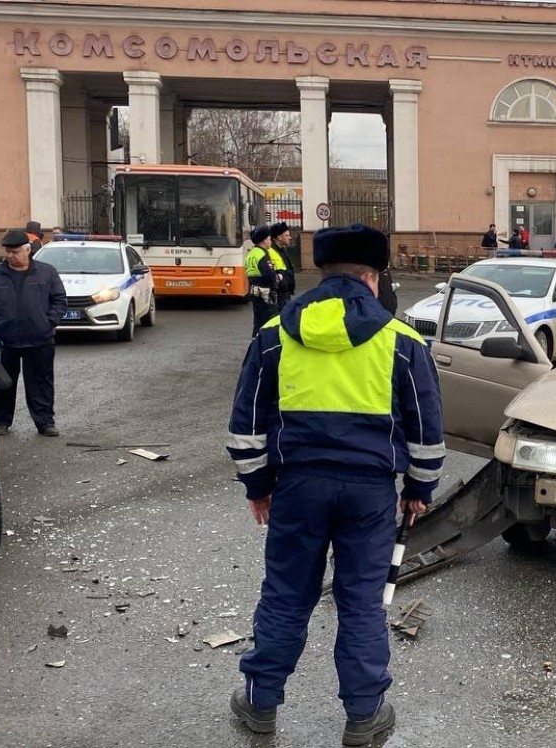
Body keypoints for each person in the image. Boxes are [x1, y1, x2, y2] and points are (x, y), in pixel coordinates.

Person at [225, 223, 443, 746]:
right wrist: (419, 489)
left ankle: (260, 704)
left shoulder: (274, 334)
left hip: (298, 487)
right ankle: (364, 716)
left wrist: (258, 487)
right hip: (369, 493)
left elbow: (246, 423)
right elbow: (427, 430)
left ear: (320, 274)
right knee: (362, 601)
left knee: (285, 595)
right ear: (372, 278)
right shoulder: (403, 342)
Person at [0, 229, 67, 437]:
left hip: (40, 339)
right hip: (4, 340)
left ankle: (45, 422)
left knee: (41, 382)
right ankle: (1, 422)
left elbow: (59, 299)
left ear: (28, 250)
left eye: (15, 251)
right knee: (3, 383)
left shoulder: (47, 272)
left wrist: (49, 322)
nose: (10, 256)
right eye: (8, 252)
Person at [244, 226, 288, 336]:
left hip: (254, 291)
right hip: (266, 294)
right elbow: (269, 276)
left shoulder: (251, 254)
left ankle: (255, 344)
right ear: (264, 240)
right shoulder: (262, 254)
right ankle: (268, 347)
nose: (270, 241)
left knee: (257, 323)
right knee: (270, 322)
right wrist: (278, 278)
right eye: (269, 239)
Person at [269, 222, 297, 310]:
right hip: (278, 295)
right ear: (279, 237)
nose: (290, 237)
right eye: (287, 235)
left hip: (285, 293)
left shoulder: (283, 250)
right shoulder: (270, 251)